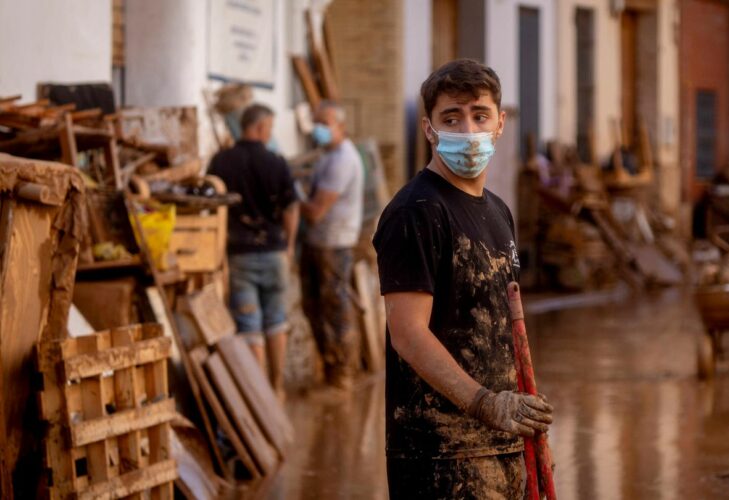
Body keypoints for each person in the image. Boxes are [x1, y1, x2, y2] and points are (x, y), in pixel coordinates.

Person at [373, 59, 554, 498]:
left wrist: (521, 427)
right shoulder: (416, 212)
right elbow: (408, 333)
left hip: (503, 446)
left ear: (500, 123)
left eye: (479, 115)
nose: (468, 129)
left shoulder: (498, 212)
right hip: (439, 455)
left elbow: (501, 329)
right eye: (451, 118)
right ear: (429, 129)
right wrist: (483, 403)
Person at [207, 103, 298, 397]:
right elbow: (291, 208)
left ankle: (260, 398)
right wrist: (290, 245)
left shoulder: (221, 162)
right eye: (270, 128)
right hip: (274, 253)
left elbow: (211, 207)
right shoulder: (276, 162)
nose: (270, 133)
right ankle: (278, 387)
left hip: (239, 255)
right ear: (259, 128)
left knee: (249, 326)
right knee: (277, 321)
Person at [300, 101, 365, 389]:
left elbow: (315, 211)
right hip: (320, 241)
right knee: (315, 304)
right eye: (316, 123)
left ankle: (343, 373)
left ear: (340, 126)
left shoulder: (342, 160)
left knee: (335, 306)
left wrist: (292, 195)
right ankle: (330, 366)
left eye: (324, 124)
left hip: (333, 243)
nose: (319, 130)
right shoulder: (327, 155)